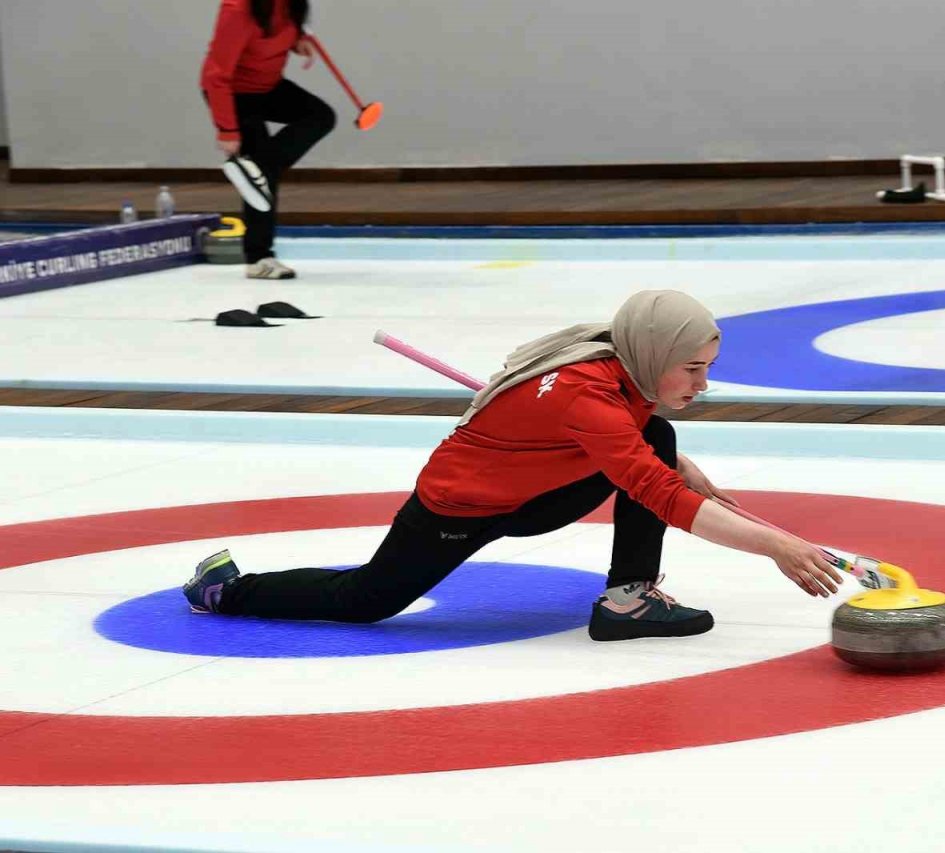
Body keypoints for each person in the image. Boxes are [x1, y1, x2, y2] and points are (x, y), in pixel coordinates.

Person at [183, 290, 844, 641]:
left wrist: (672, 458)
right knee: (366, 600)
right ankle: (227, 588)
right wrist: (779, 546)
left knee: (662, 440)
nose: (703, 382)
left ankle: (628, 600)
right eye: (693, 367)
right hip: (460, 507)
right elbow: (652, 488)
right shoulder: (589, 396)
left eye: (708, 367)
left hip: (535, 487)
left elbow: (634, 446)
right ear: (653, 349)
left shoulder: (616, 358)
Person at [200, 0, 336, 280]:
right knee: (264, 173)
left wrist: (296, 41)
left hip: (267, 87)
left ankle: (255, 168)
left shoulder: (289, 5)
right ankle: (258, 258)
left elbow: (277, 33)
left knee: (320, 116)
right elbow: (216, 75)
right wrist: (227, 129)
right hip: (232, 94)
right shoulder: (238, 9)